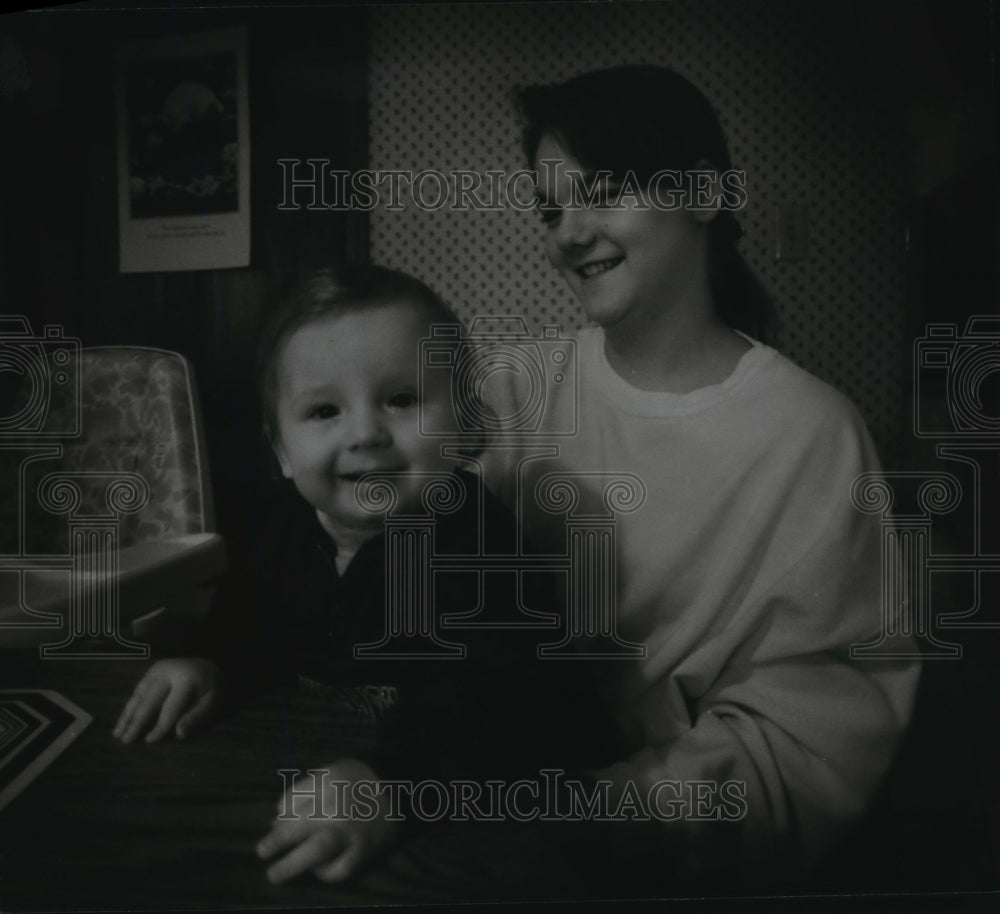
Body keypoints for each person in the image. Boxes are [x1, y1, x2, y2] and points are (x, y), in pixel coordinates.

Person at [475, 65, 922, 892]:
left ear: (705, 194)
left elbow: (822, 713)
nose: (568, 234)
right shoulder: (511, 390)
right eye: (550, 209)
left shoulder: (813, 432)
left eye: (602, 192)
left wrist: (623, 806)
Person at [113, 264, 611, 887]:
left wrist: (391, 786)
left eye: (401, 400)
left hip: (489, 799)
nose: (366, 434)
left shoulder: (478, 546)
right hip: (320, 764)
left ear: (466, 426)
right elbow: (246, 623)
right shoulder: (272, 525)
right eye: (325, 410)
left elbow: (498, 708)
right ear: (282, 451)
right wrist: (206, 661)